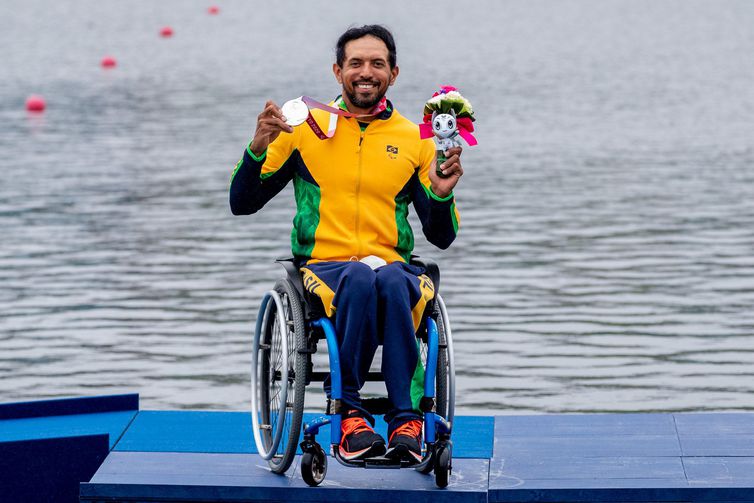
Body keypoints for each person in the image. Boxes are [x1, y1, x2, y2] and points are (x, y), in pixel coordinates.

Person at [229, 25, 464, 464]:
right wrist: (258, 147)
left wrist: (441, 193)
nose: (366, 72)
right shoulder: (302, 131)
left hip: (393, 267)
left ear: (394, 74)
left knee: (394, 281)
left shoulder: (417, 139)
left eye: (377, 64)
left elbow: (442, 237)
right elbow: (242, 203)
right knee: (357, 276)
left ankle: (406, 421)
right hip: (325, 267)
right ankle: (349, 414)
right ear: (338, 71)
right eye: (355, 63)